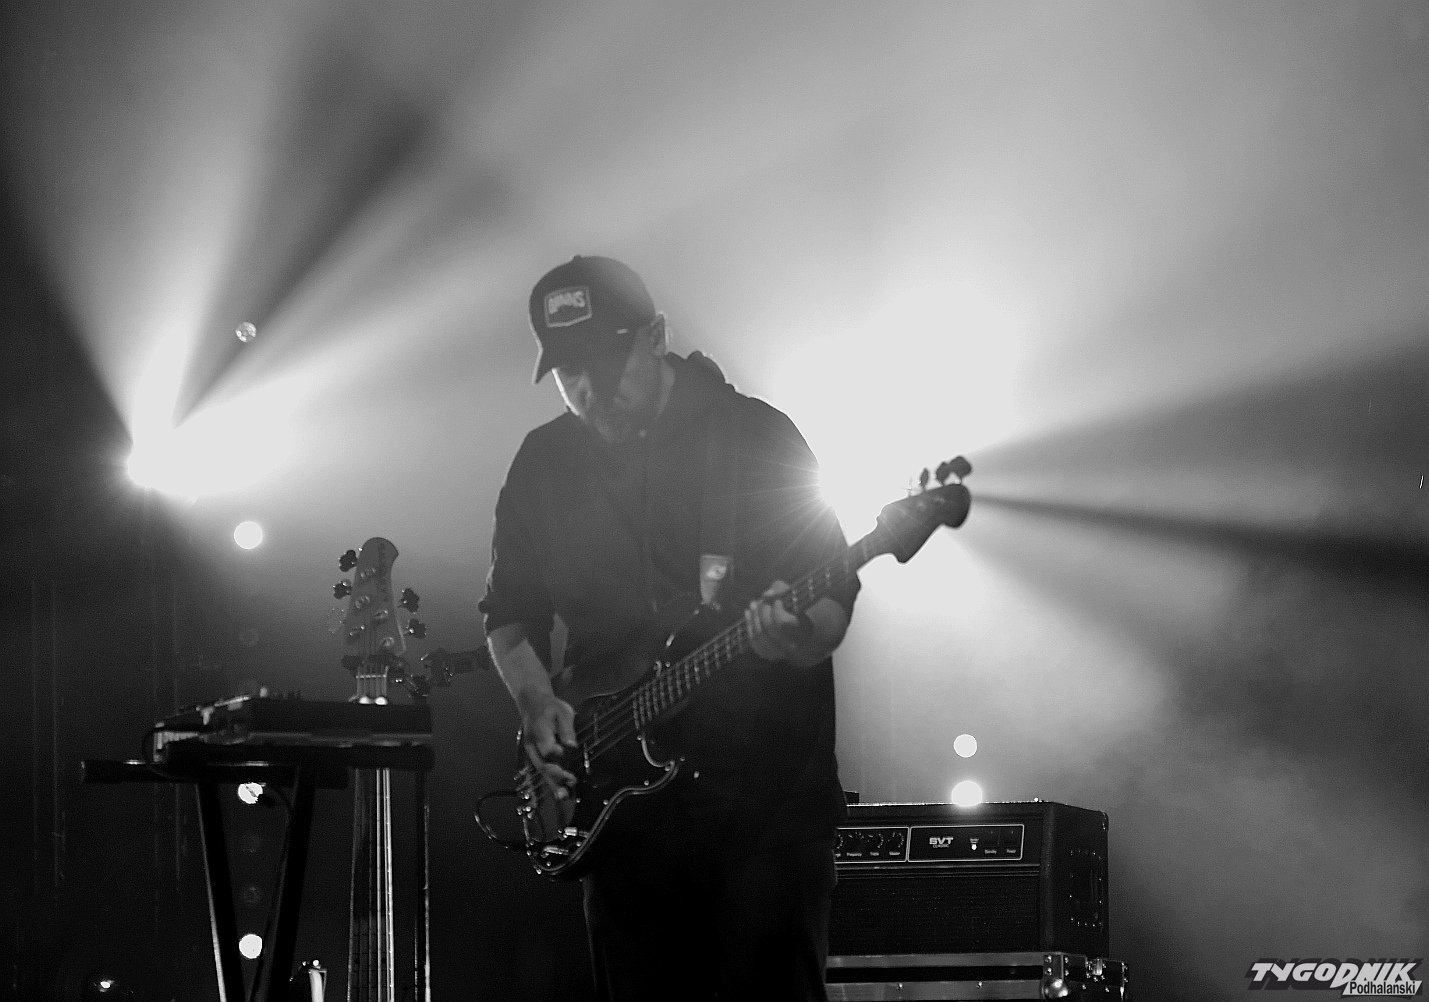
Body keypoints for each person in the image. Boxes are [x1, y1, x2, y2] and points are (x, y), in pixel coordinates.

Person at [479, 255, 860, 1002]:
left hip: (764, 813)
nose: (589, 393)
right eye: (568, 373)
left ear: (655, 337)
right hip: (624, 825)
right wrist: (536, 702)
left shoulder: (753, 436)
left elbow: (830, 595)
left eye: (603, 364)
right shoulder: (544, 463)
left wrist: (796, 635)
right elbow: (509, 615)